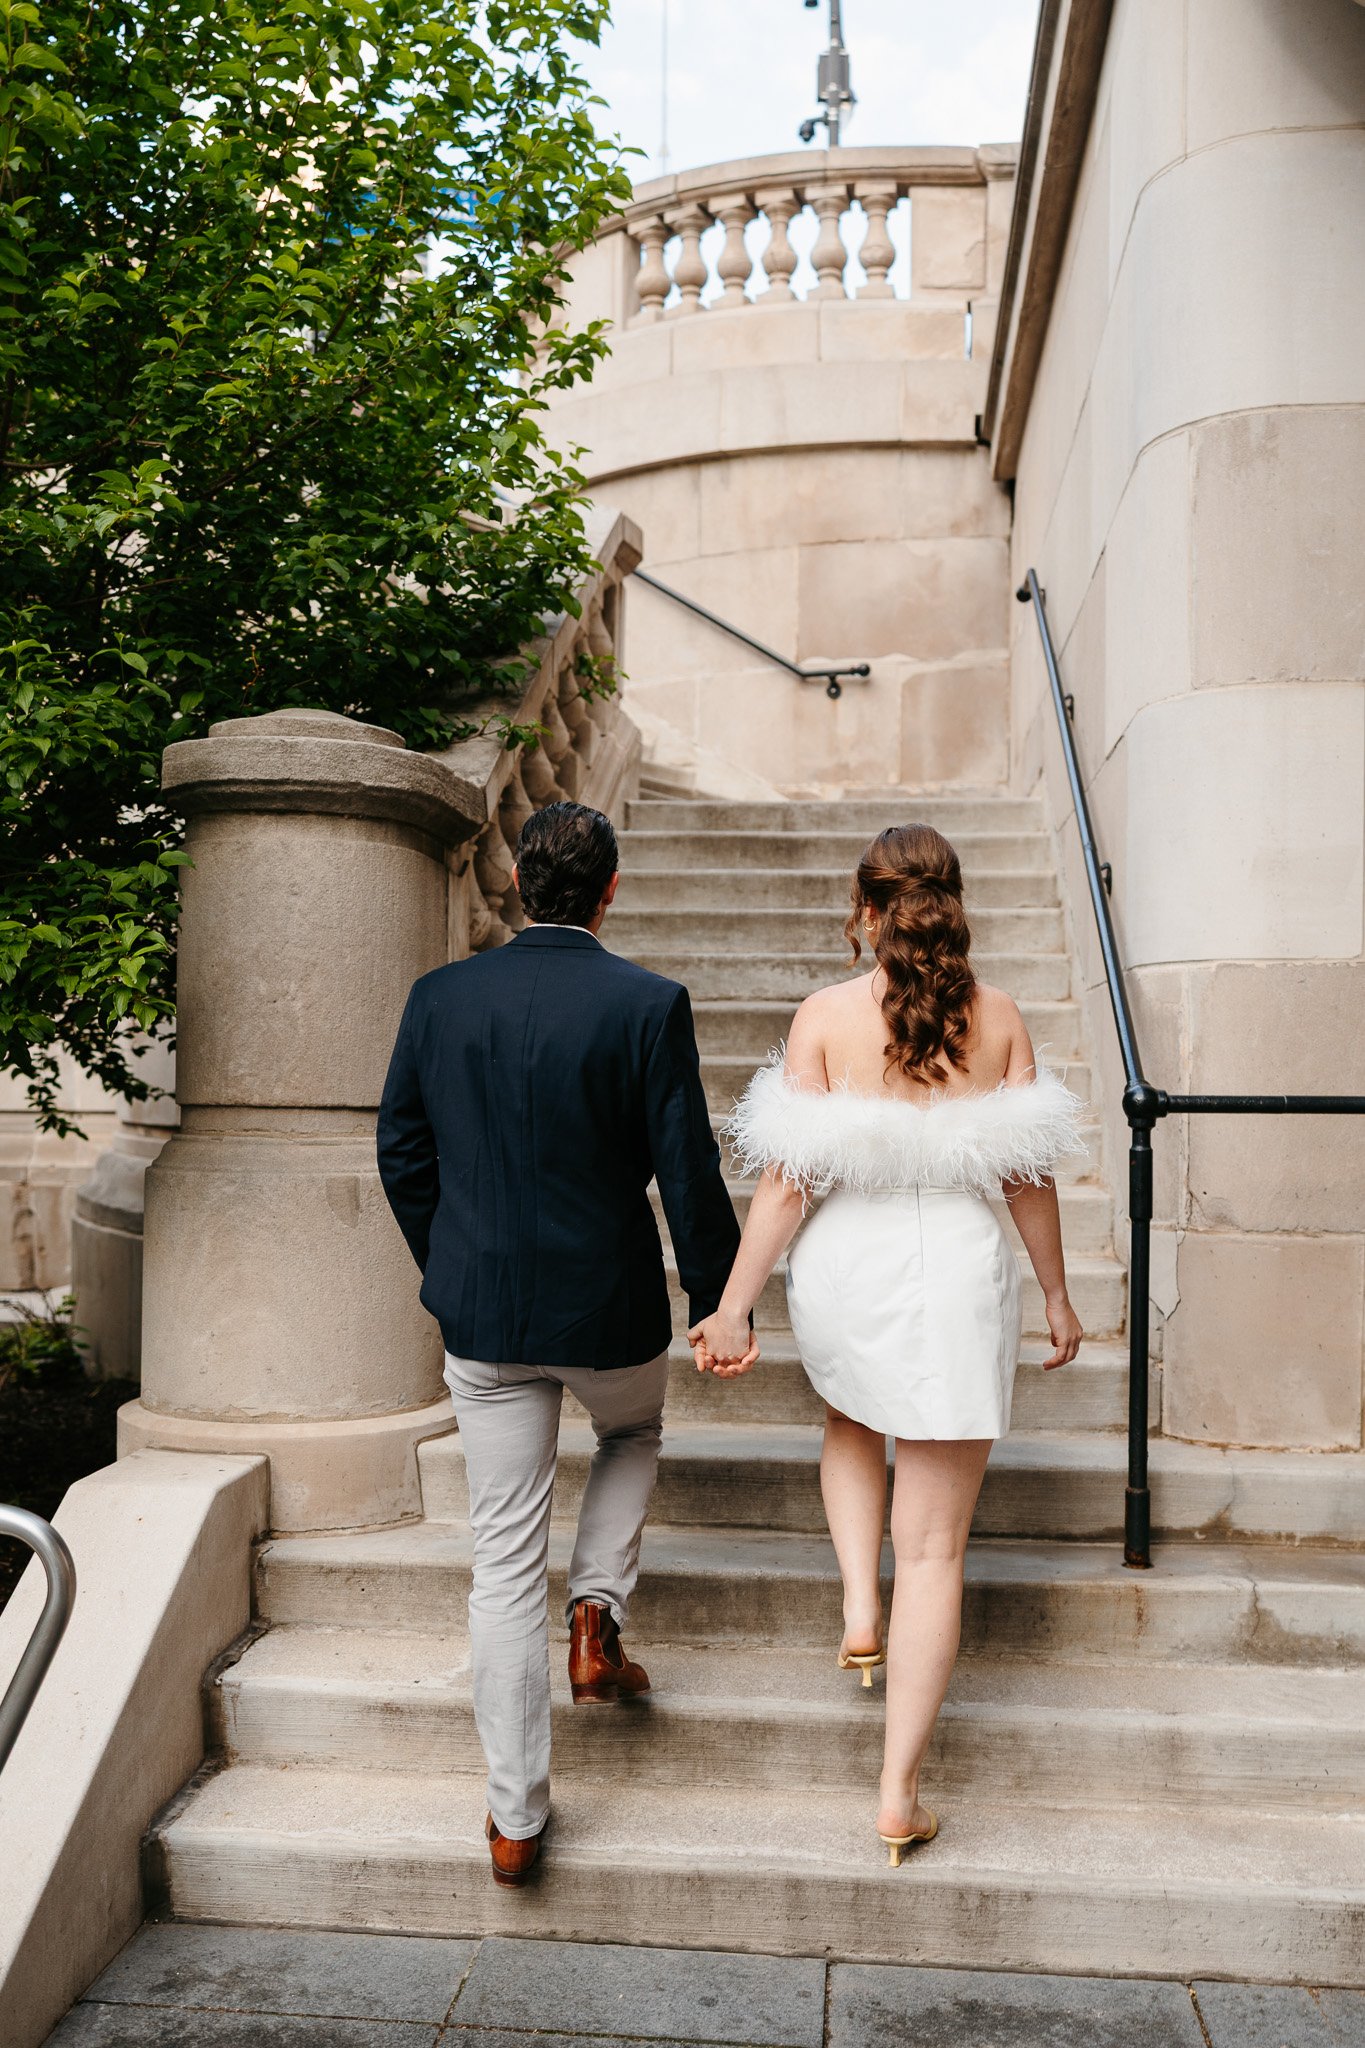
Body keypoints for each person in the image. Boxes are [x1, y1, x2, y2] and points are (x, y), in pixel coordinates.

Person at [689, 822, 1084, 1865]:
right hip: (957, 1268)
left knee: (852, 1411)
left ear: (866, 910)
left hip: (846, 1265)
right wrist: (1055, 1293)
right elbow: (1027, 1175)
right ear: (952, 906)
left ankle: (860, 1604)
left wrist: (734, 1305)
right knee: (937, 1547)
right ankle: (899, 1794)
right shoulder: (998, 1017)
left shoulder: (823, 1016)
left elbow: (787, 1181)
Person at [378, 800, 747, 1888]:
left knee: (499, 1562)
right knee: (632, 1426)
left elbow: (401, 1148)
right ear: (610, 890)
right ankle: (596, 1609)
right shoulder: (647, 1003)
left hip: (483, 1310)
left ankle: (515, 1820)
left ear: (517, 878)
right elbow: (686, 1167)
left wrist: (449, 1257)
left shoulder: (440, 996)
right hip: (607, 1306)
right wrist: (720, 1297)